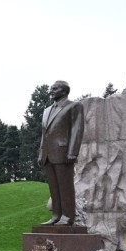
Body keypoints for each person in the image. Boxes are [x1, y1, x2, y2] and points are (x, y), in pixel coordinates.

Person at [38, 80, 84, 225]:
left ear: (64, 91)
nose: (51, 91)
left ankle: (68, 216)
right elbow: (44, 134)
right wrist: (41, 153)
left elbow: (77, 130)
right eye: (51, 88)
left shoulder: (74, 106)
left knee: (66, 187)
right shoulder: (46, 111)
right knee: (54, 187)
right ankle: (56, 215)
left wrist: (73, 152)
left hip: (63, 152)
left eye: (55, 89)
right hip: (48, 154)